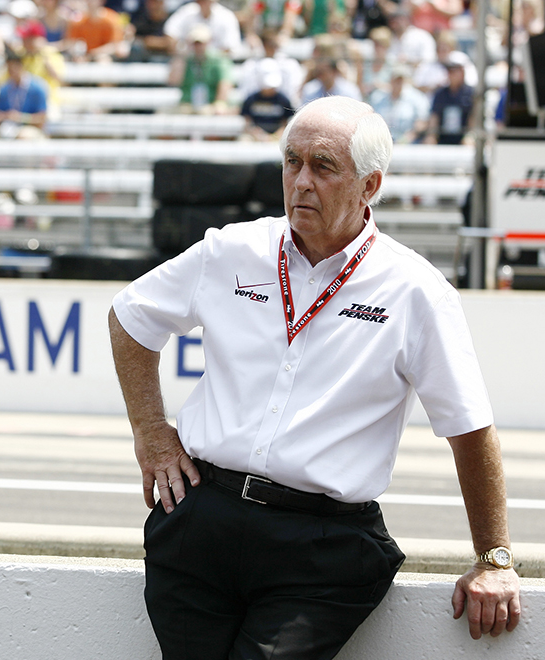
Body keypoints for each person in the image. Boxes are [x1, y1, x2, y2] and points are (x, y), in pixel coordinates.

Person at [109, 95, 521, 660]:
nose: (301, 181)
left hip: (321, 547)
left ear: (370, 185)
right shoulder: (231, 249)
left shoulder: (415, 291)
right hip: (200, 521)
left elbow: (469, 428)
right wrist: (152, 433)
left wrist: (493, 558)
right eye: (292, 162)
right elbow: (130, 317)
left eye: (323, 166)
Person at [167, 24, 234, 114]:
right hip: (188, 104)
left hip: (210, 103)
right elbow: (173, 81)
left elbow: (225, 83)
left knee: (214, 111)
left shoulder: (218, 60)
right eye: (195, 43)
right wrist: (181, 55)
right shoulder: (186, 60)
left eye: (201, 43)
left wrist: (219, 103)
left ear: (208, 42)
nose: (198, 47)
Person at [369, 63, 430, 142]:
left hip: (409, 143)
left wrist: (408, 138)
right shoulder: (377, 97)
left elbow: (422, 121)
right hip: (382, 141)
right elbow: (371, 120)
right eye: (396, 80)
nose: (398, 83)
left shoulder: (417, 98)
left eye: (401, 80)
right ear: (390, 80)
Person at [0, 49, 49, 138]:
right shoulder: (4, 89)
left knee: (23, 135)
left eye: (14, 68)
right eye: (9, 69)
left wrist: (21, 117)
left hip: (30, 130)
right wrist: (5, 116)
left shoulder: (37, 88)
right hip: (8, 128)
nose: (12, 72)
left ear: (21, 67)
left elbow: (42, 118)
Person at [163, 0, 243, 58]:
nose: (204, 3)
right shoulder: (187, 11)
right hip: (189, 62)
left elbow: (230, 49)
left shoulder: (227, 16)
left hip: (216, 65)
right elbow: (170, 31)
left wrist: (207, 57)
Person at [426, 51, 474, 144]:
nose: (450, 74)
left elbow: (473, 118)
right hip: (443, 137)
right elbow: (434, 117)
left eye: (454, 70)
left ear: (462, 71)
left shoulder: (471, 93)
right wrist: (431, 136)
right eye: (448, 70)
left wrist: (469, 136)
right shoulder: (440, 93)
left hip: (463, 137)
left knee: (469, 142)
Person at [240, 57, 295, 139]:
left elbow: (286, 124)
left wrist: (275, 136)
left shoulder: (283, 100)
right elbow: (247, 123)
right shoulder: (250, 100)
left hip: (278, 137)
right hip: (254, 137)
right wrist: (257, 134)